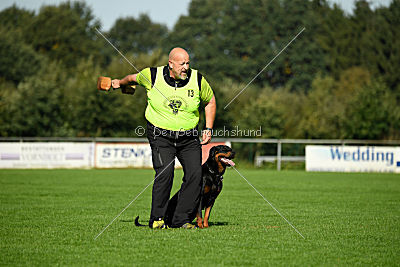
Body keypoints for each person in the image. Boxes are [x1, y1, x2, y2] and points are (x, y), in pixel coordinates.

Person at [111, 47, 216, 229]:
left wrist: (208, 128)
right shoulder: (151, 75)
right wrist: (120, 83)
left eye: (187, 63)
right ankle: (157, 219)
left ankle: (180, 220)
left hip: (189, 137)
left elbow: (210, 101)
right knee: (165, 173)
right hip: (161, 136)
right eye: (181, 63)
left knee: (195, 175)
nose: (185, 67)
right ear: (171, 64)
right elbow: (131, 78)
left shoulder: (198, 79)